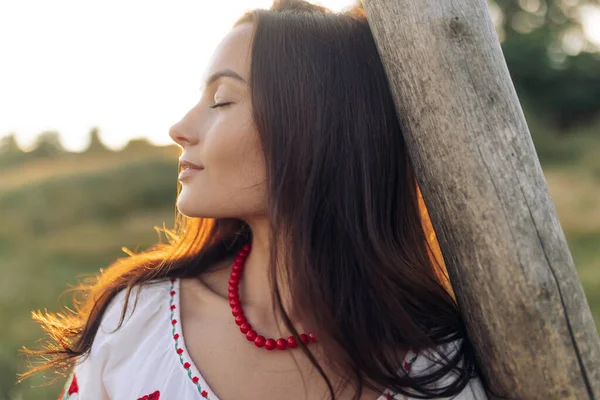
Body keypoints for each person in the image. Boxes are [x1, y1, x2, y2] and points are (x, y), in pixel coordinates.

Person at [21, 0, 498, 399]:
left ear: (315, 129)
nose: (179, 128)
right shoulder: (137, 320)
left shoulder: (441, 369)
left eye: (222, 100)